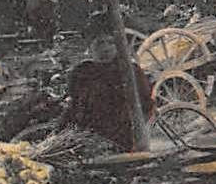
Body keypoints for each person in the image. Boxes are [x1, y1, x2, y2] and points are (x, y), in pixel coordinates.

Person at [59, 12, 152, 151]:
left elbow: (146, 105)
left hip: (120, 136)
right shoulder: (81, 72)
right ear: (90, 46)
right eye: (100, 43)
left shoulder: (129, 71)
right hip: (86, 135)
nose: (106, 48)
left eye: (111, 43)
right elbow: (75, 106)